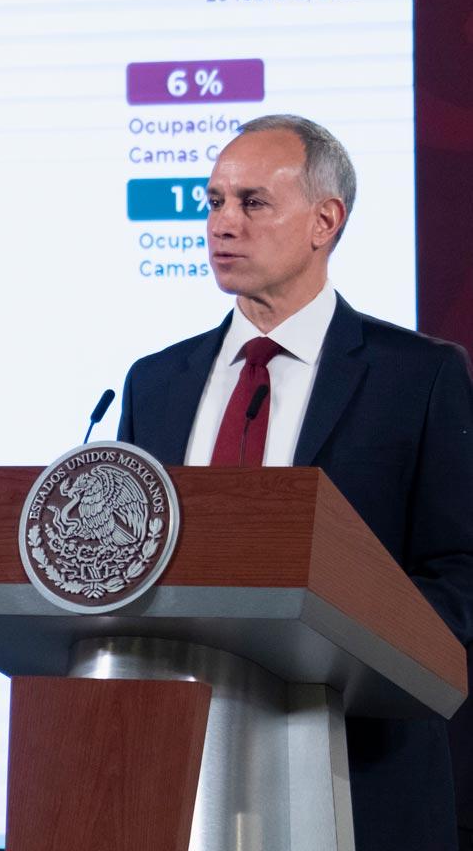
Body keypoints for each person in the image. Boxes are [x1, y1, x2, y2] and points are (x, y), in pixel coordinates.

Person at [116, 113, 473, 849]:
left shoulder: (418, 378)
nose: (223, 223)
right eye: (214, 201)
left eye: (252, 202)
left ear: (324, 221)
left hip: (358, 766)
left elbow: (458, 572)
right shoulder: (156, 382)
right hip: (175, 770)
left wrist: (343, 657)